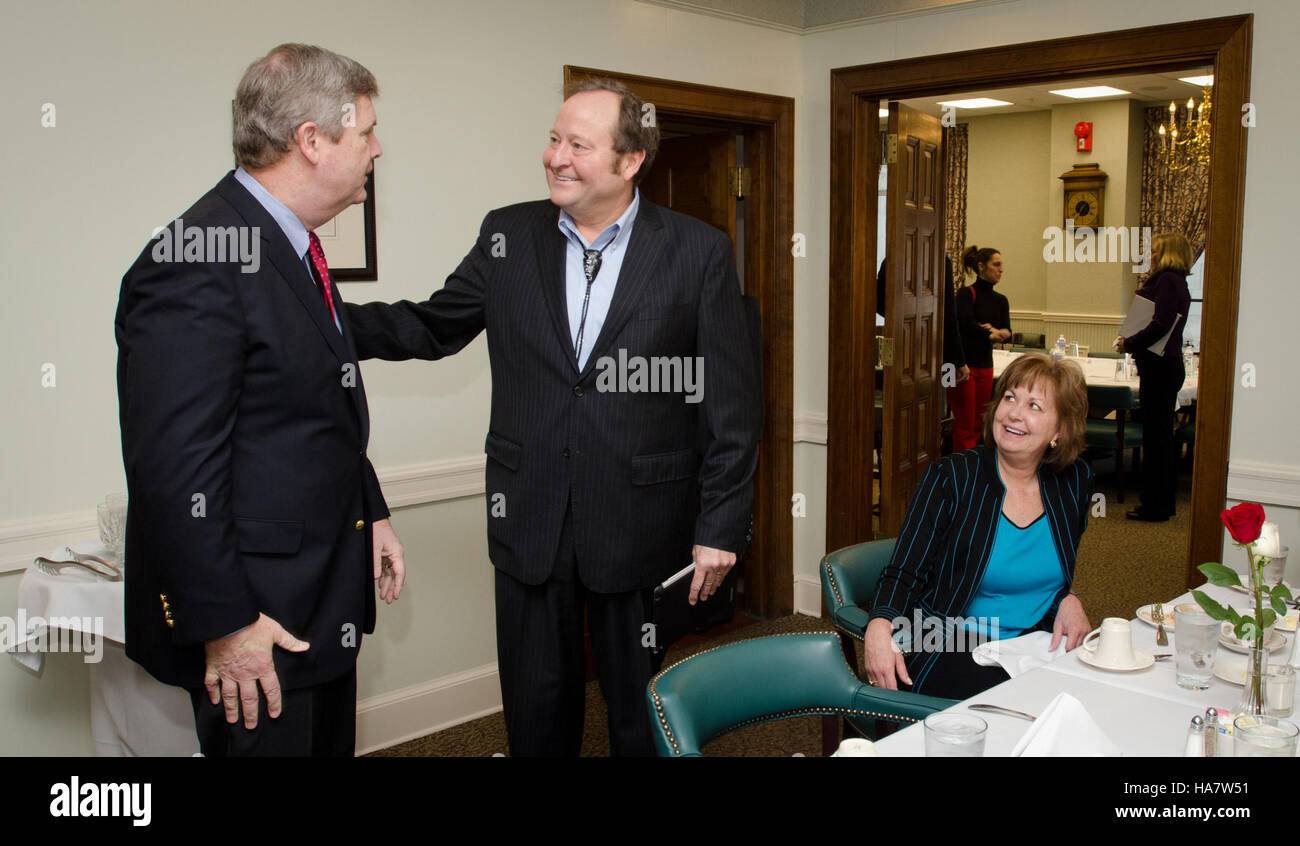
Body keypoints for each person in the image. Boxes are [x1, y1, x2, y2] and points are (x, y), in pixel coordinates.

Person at [344, 79, 763, 756]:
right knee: (536, 712)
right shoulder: (507, 235)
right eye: (552, 138)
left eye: (577, 144)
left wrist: (721, 526)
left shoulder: (697, 252)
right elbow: (431, 327)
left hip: (641, 524)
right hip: (529, 516)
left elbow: (733, 407)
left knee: (640, 712)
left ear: (629, 162)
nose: (555, 157)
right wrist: (321, 318)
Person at [115, 44, 406, 756]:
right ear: (313, 140)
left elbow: (304, 414)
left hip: (318, 600)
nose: (378, 146)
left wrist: (373, 512)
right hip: (257, 623)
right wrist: (228, 628)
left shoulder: (291, 248)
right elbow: (174, 471)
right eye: (366, 130)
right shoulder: (198, 258)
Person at [860, 353, 1093, 699]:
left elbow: (1046, 570)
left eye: (1034, 406)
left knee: (1098, 694)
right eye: (1009, 397)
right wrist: (879, 626)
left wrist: (1066, 599)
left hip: (1035, 640)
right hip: (950, 638)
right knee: (1022, 707)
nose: (1014, 412)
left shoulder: (1073, 481)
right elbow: (904, 571)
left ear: (1060, 430)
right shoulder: (952, 477)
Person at [1117, 232, 1192, 522]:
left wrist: (1130, 342)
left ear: (1167, 253)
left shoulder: (1166, 280)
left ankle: (1156, 505)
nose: (1151, 255)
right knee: (1160, 437)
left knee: (1157, 439)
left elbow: (1160, 324)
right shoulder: (1177, 280)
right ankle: (1161, 502)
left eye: (1156, 250)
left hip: (1160, 367)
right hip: (1166, 365)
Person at [951, 246, 1011, 451]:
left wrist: (990, 330)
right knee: (964, 422)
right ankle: (962, 468)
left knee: (980, 422)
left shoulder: (1001, 300)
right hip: (959, 364)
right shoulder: (966, 294)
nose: (1001, 269)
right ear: (980, 266)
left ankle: (974, 465)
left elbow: (1006, 332)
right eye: (996, 264)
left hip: (985, 365)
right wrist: (989, 332)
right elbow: (965, 324)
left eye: (1001, 265)